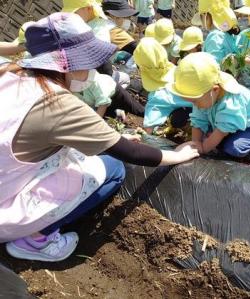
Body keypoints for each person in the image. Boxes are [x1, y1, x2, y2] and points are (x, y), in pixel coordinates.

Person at [0, 12, 198, 262]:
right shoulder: (58, 103)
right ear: (65, 65)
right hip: (4, 212)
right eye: (86, 62)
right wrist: (178, 154)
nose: (91, 69)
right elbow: (131, 154)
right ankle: (36, 239)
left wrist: (108, 138)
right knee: (112, 169)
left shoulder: (9, 73)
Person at [167, 52, 250, 166]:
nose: (195, 106)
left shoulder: (230, 102)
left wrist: (203, 149)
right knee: (211, 139)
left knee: (233, 148)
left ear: (215, 90)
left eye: (195, 101)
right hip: (227, 124)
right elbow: (198, 121)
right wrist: (196, 143)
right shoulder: (206, 97)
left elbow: (221, 131)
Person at [62, 0, 131, 87]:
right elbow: (105, 70)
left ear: (88, 9)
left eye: (74, 12)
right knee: (126, 79)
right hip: (87, 82)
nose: (72, 15)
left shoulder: (78, 26)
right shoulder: (102, 28)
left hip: (77, 78)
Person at [133, 38, 192, 133]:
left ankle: (191, 131)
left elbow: (149, 127)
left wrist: (143, 132)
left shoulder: (158, 95)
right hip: (212, 104)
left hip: (203, 115)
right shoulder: (179, 70)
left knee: (176, 120)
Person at [192, 0, 240, 64]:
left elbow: (214, 64)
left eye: (201, 17)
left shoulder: (215, 36)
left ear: (205, 17)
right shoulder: (229, 33)